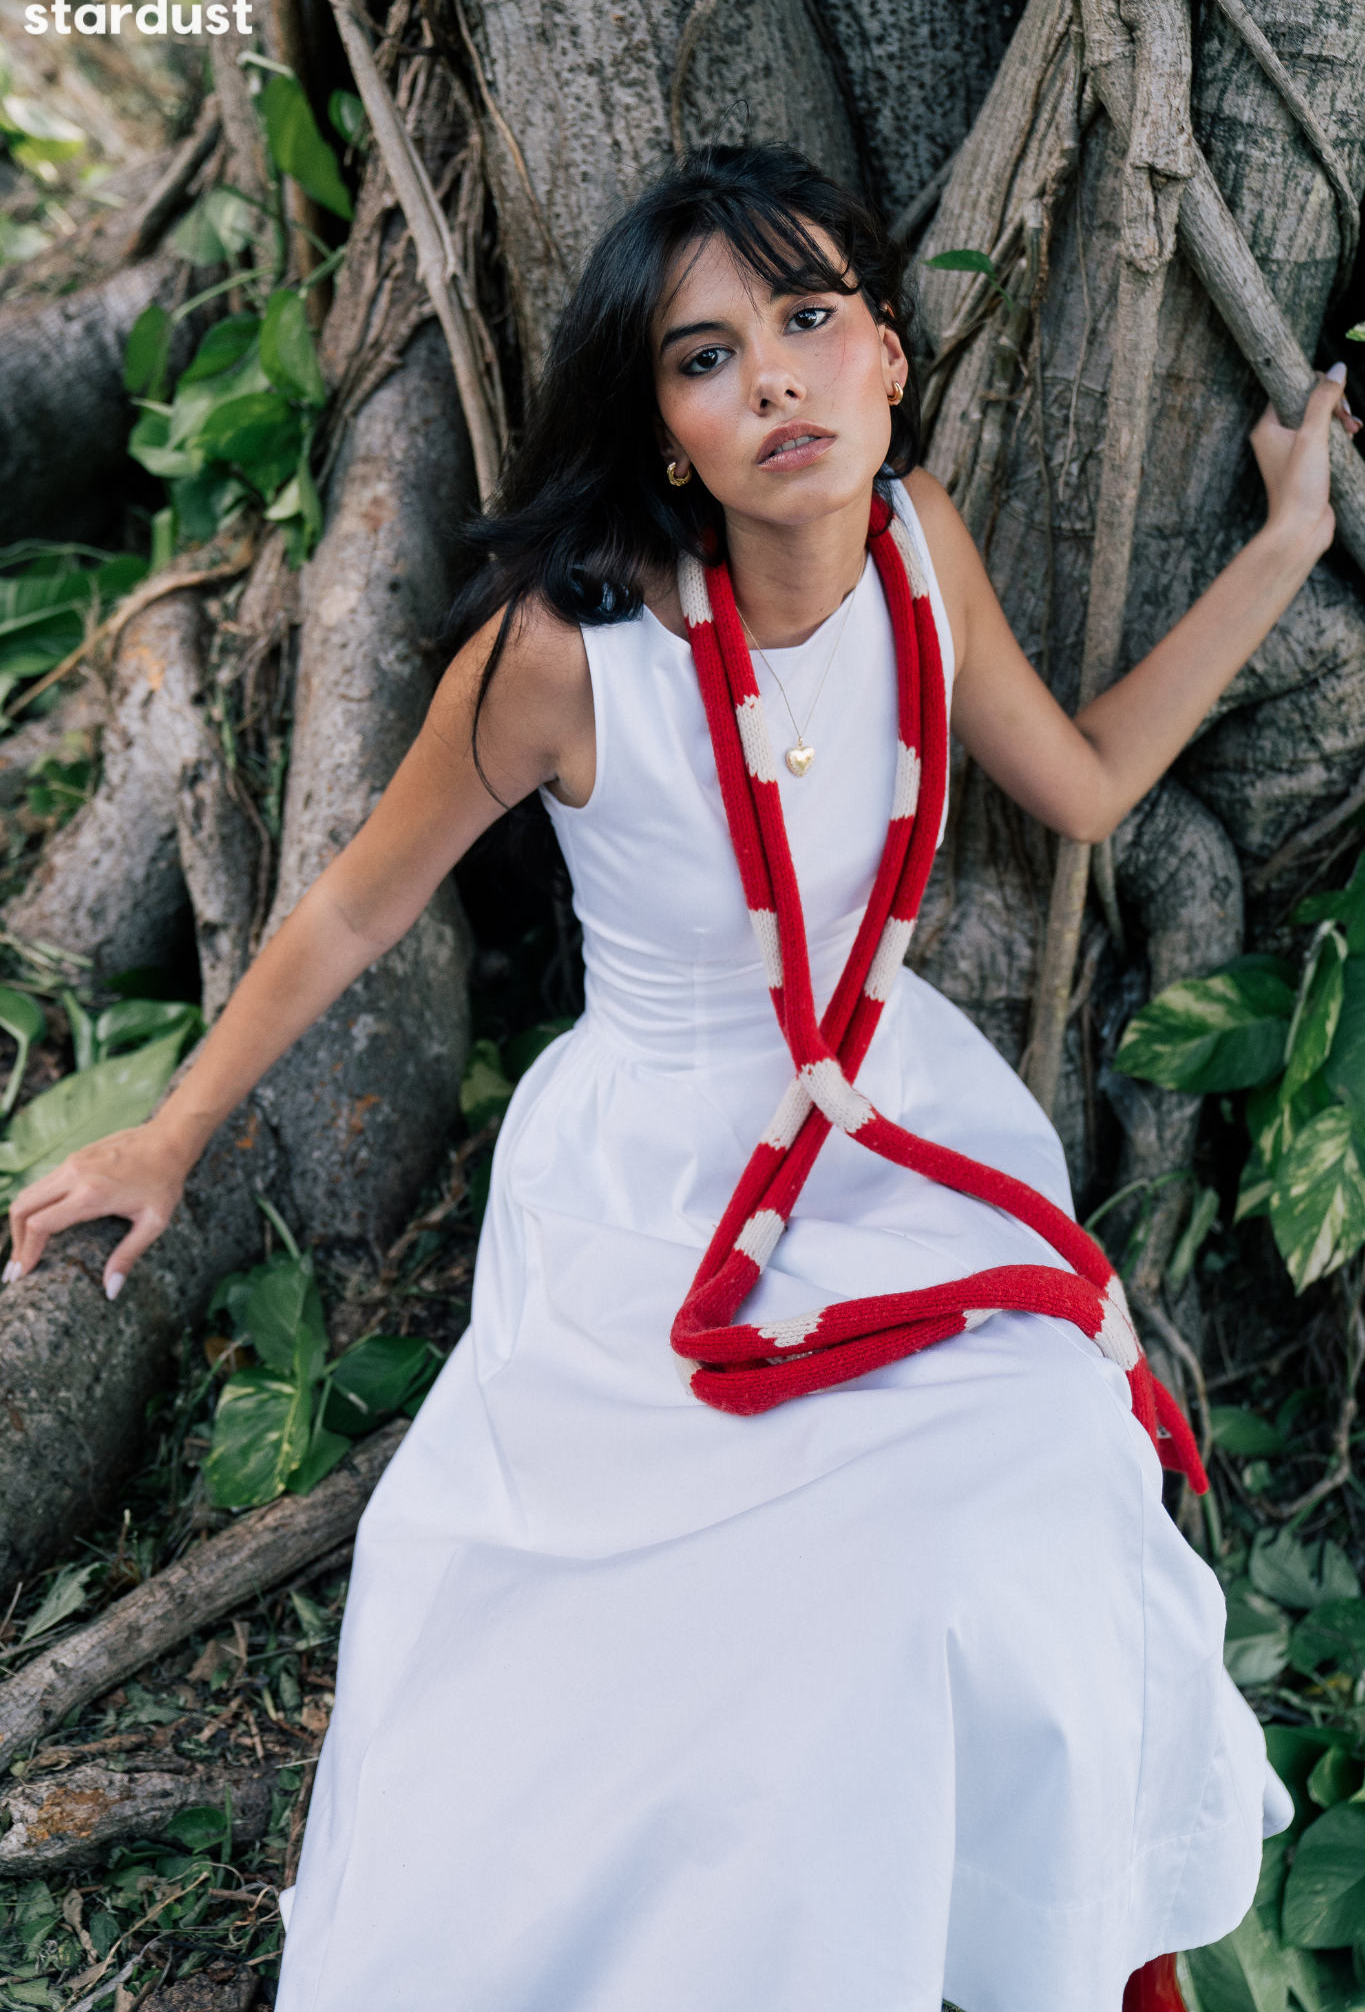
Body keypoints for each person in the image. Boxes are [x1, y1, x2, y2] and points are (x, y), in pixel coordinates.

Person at [4, 144, 1355, 2012]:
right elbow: (355, 904)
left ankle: (1007, 1926)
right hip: (656, 1171)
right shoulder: (569, 655)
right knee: (676, 1615)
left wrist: (1286, 546)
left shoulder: (920, 552)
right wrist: (166, 1132)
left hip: (898, 1117)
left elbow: (1091, 785)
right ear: (663, 431)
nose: (777, 381)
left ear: (890, 353)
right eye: (709, 357)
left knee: (1028, 1473)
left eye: (811, 321)